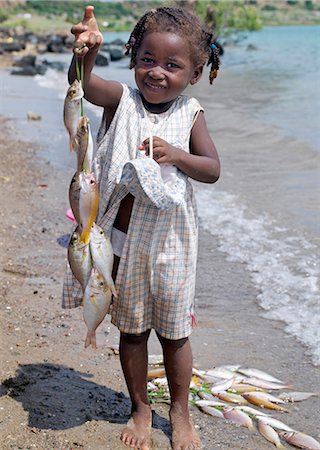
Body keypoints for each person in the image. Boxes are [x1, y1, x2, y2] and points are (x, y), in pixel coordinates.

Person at [63, 5, 220, 450]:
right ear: (133, 58)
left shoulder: (191, 114)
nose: (157, 72)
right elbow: (84, 87)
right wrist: (86, 52)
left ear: (192, 73)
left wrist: (178, 155)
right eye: (148, 59)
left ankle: (180, 412)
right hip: (122, 243)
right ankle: (139, 407)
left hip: (173, 243)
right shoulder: (121, 100)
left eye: (173, 65)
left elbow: (212, 169)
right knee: (132, 330)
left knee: (175, 333)